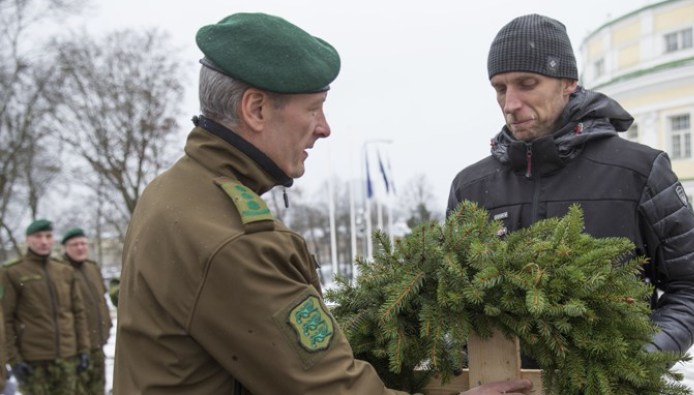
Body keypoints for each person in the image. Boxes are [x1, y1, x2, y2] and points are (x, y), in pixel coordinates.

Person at [113, 12, 532, 395]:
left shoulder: (176, 191)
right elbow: (329, 387)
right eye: (314, 109)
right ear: (256, 108)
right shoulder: (230, 239)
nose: (324, 128)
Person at [447, 14, 694, 362]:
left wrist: (635, 366)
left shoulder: (640, 172)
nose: (510, 104)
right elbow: (450, 300)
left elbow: (693, 288)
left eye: (526, 83)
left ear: (568, 83)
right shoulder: (470, 187)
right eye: (500, 89)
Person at [1, 219, 90, 395]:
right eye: (38, 236)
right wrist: (14, 359)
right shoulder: (13, 272)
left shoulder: (64, 270)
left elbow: (78, 313)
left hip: (67, 356)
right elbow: (6, 318)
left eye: (48, 236)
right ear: (28, 240)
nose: (43, 241)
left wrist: (83, 349)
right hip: (33, 361)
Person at [60, 227, 112, 394]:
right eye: (74, 244)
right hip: (76, 348)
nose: (80, 247)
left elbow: (101, 301)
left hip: (98, 342)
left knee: (98, 389)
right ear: (65, 248)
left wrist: (108, 326)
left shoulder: (92, 268)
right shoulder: (61, 271)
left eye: (83, 243)